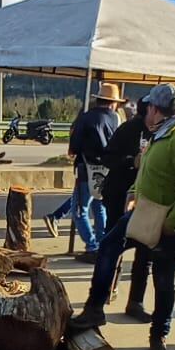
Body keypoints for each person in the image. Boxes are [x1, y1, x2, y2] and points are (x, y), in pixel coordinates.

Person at [68, 84, 175, 350]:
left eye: (148, 107)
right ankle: (95, 306)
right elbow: (147, 170)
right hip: (143, 210)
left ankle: (159, 334)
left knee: (163, 280)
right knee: (108, 247)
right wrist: (134, 194)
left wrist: (172, 223)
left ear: (154, 109)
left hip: (165, 219)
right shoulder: (160, 133)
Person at [44, 82, 121, 254]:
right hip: (107, 170)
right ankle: (102, 243)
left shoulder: (86, 117)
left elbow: (74, 146)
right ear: (112, 102)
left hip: (86, 169)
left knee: (80, 210)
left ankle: (92, 245)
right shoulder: (116, 119)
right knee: (100, 208)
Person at [99, 98, 155, 319]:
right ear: (149, 110)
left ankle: (136, 302)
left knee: (145, 252)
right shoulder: (129, 129)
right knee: (113, 247)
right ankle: (104, 293)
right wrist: (132, 161)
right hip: (118, 196)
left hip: (148, 201)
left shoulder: (165, 133)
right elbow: (108, 157)